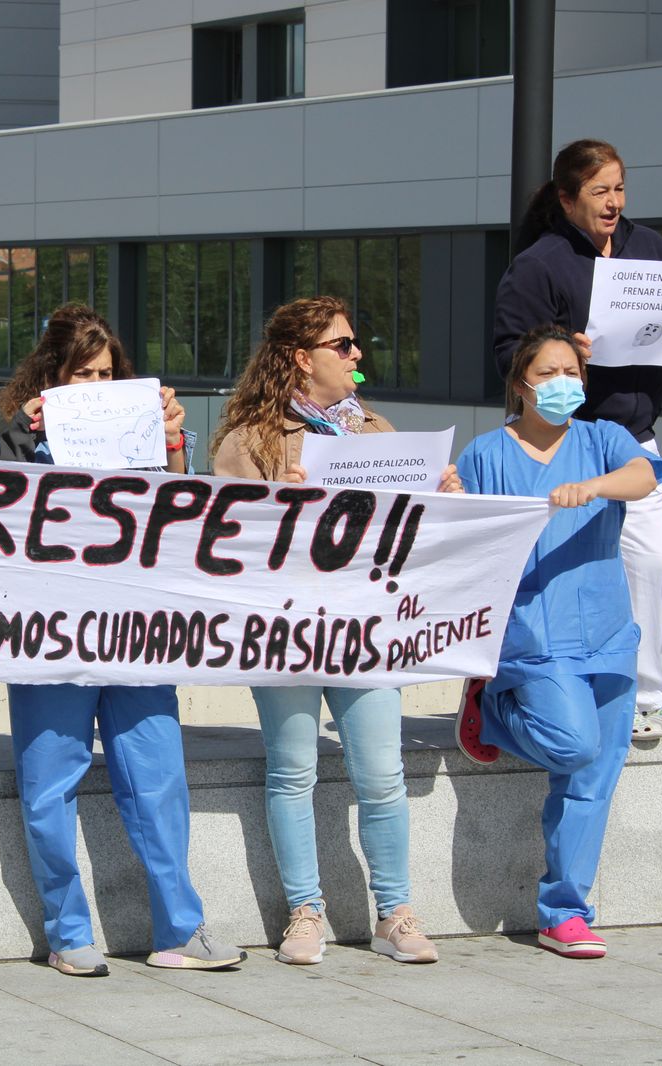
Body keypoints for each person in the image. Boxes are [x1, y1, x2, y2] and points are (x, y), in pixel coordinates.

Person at [0, 303, 245, 976]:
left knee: (158, 779)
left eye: (107, 374)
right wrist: (23, 438)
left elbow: (189, 527)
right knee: (51, 785)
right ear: (53, 379)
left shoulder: (148, 440)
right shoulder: (22, 442)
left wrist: (169, 445)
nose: (97, 387)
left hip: (135, 634)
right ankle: (67, 932)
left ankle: (179, 929)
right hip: (48, 637)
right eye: (82, 375)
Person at [212, 295, 458, 967]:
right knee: (292, 772)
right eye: (344, 345)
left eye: (354, 345)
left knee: (381, 773)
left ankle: (395, 911)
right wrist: (279, 509)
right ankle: (305, 911)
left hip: (365, 626)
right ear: (302, 358)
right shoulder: (250, 439)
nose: (357, 356)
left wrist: (447, 498)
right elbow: (223, 541)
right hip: (286, 629)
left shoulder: (377, 432)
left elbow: (418, 533)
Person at [493, 138, 662, 739]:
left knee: (652, 561)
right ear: (567, 198)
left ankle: (653, 694)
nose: (614, 202)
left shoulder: (648, 247)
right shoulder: (540, 263)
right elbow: (506, 353)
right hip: (564, 439)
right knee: (562, 569)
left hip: (634, 435)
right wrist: (564, 349)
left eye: (620, 188)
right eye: (600, 192)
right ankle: (546, 688)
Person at [455, 325, 662, 959]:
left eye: (572, 373)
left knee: (593, 778)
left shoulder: (604, 438)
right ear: (521, 384)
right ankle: (493, 712)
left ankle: (564, 911)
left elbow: (642, 476)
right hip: (532, 632)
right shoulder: (487, 452)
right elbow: (465, 533)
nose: (563, 384)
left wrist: (595, 487)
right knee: (574, 744)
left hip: (606, 631)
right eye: (548, 374)